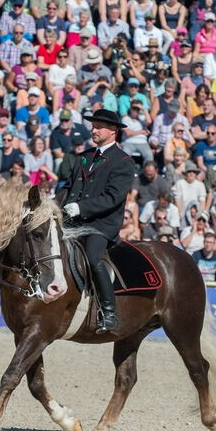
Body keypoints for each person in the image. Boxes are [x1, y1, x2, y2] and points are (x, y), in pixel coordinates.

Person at [61, 109, 135, 333]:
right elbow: (67, 188)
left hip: (101, 225)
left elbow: (113, 198)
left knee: (94, 258)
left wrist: (81, 207)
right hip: (73, 220)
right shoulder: (83, 156)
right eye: (93, 126)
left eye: (98, 127)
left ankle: (109, 312)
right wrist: (49, 206)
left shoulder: (123, 161)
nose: (93, 130)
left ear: (113, 131)